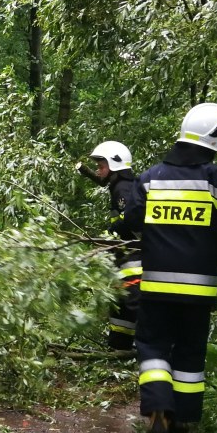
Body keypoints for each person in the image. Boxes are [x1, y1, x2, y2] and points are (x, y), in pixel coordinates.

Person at [123, 103, 217, 433]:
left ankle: (159, 406)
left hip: (156, 286)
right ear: (216, 139)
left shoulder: (149, 179)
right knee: (189, 352)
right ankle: (183, 420)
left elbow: (131, 221)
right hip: (198, 292)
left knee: (153, 346)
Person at [79, 140, 143, 350]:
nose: (98, 171)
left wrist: (113, 233)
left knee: (132, 301)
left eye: (101, 166)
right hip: (125, 254)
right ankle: (119, 348)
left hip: (134, 256)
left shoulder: (123, 188)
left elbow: (132, 221)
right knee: (121, 303)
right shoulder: (121, 185)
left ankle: (146, 348)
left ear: (115, 164)